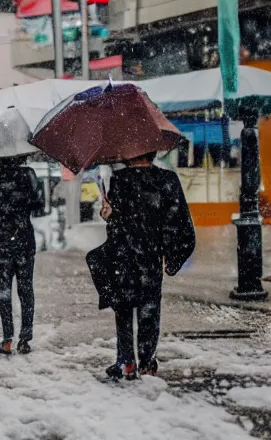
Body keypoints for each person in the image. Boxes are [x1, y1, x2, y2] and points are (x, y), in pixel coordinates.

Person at [86, 151, 195, 381]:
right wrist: (172, 257)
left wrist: (109, 214)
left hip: (123, 256)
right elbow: (177, 220)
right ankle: (147, 363)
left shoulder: (120, 180)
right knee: (149, 310)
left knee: (123, 307)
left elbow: (116, 226)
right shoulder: (167, 180)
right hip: (150, 257)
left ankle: (125, 362)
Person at [0, 156, 43, 355]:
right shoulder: (28, 175)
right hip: (24, 240)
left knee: (3, 291)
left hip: (1, 242)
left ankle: (7, 339)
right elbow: (39, 206)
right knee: (26, 288)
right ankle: (25, 339)